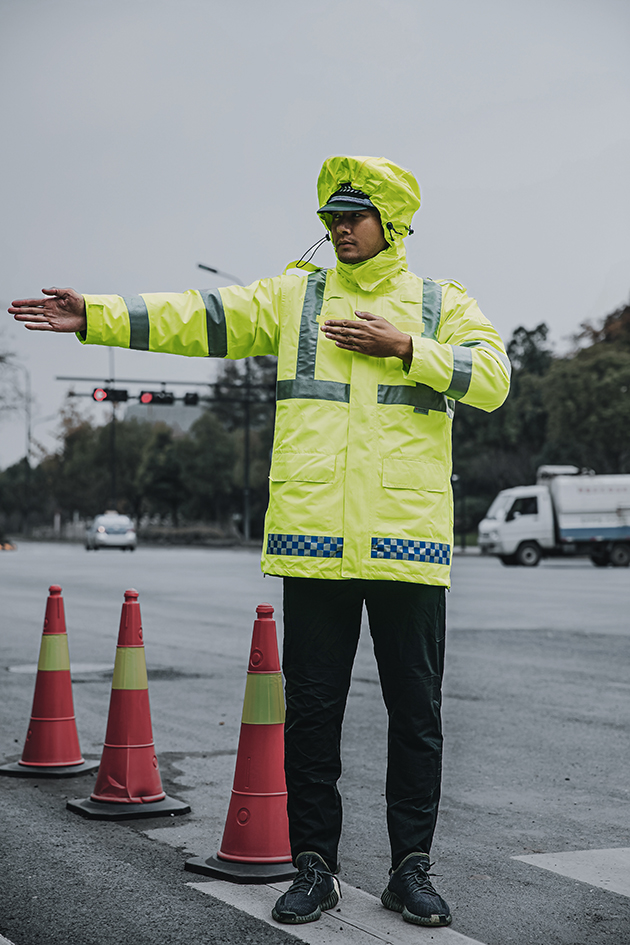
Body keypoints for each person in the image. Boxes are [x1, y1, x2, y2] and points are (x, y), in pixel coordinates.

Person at [10, 155, 510, 928]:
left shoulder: (442, 302)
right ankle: (316, 865)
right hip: (314, 545)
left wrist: (409, 346)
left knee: (417, 714)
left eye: (354, 214)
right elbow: (200, 315)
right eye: (331, 215)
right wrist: (98, 315)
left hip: (407, 547)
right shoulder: (294, 295)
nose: (339, 226)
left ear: (393, 219)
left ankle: (413, 868)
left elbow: (495, 376)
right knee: (310, 714)